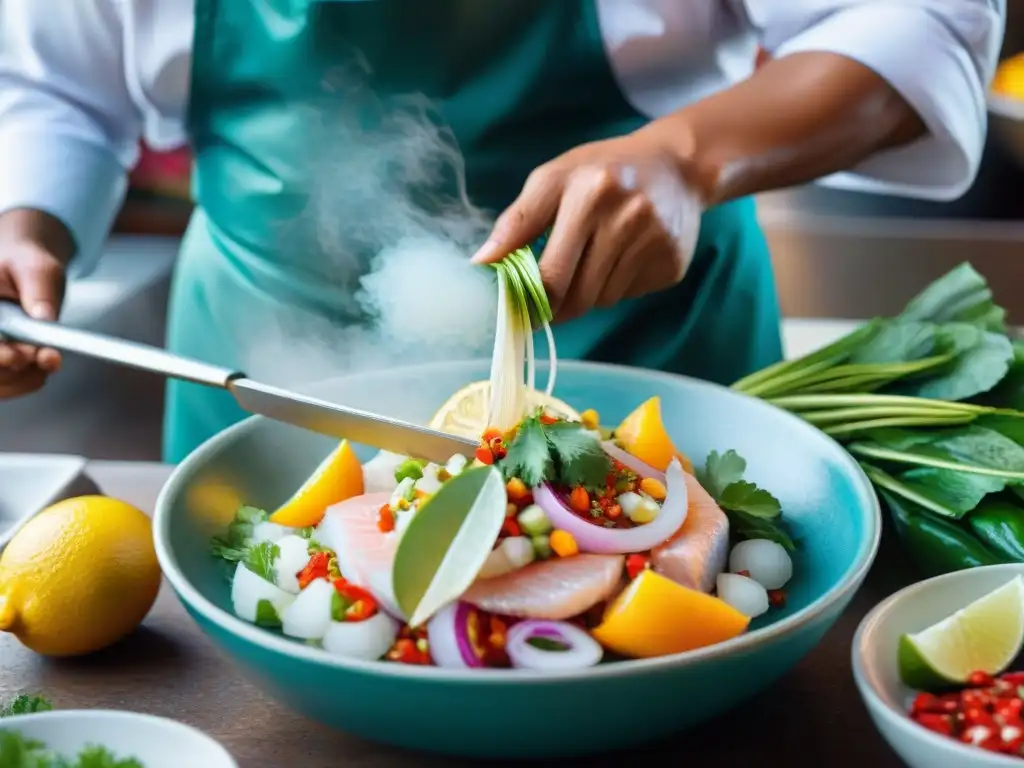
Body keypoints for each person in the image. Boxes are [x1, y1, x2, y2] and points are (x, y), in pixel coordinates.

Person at [0, 1, 1006, 463]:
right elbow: (54, 83)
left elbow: (913, 18)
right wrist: (26, 223)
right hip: (266, 379)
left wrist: (691, 156)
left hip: (652, 360)